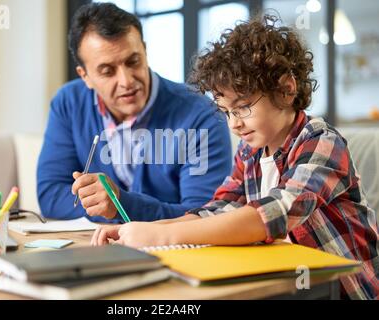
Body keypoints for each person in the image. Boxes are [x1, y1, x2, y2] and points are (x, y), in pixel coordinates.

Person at [91, 15, 379, 300]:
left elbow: (272, 216)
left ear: (286, 89)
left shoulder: (321, 142)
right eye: (226, 112)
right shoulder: (249, 151)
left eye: (242, 107)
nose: (233, 124)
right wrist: (143, 230)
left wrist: (162, 238)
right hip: (288, 285)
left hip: (344, 291)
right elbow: (218, 208)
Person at [37, 3, 231, 223]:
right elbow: (51, 196)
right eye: (107, 71)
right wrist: (109, 208)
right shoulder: (68, 103)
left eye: (133, 61)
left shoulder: (201, 114)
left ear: (145, 52)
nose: (126, 81)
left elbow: (204, 214)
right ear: (85, 76)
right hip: (96, 247)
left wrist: (120, 206)